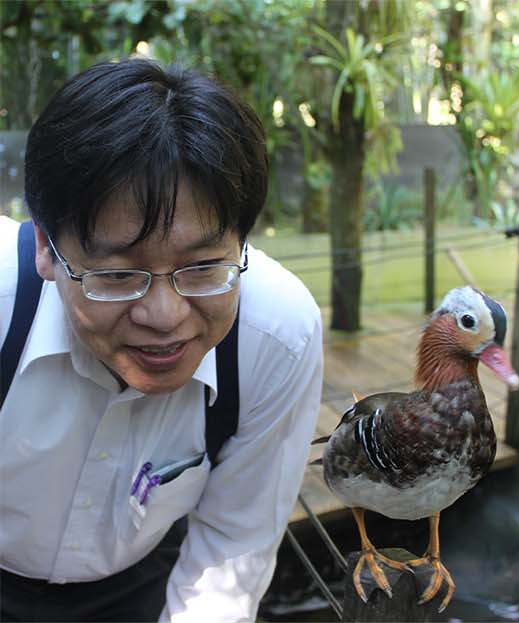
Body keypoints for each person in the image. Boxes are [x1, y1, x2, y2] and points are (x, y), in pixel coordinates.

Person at [0, 59, 323, 622]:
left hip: (140, 586)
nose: (165, 316)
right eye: (119, 275)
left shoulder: (276, 334)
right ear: (47, 250)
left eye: (202, 268)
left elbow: (231, 550)